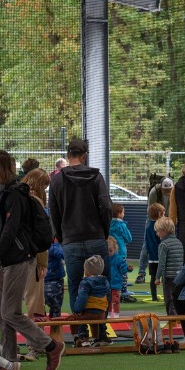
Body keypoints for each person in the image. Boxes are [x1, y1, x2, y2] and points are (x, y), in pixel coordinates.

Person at [0, 149, 65, 370]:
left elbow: (9, 232)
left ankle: (50, 346)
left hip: (18, 260)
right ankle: (9, 365)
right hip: (3, 262)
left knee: (10, 312)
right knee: (2, 313)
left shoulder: (13, 195)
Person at [47, 137, 112, 344]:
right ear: (84, 155)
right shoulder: (96, 176)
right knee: (103, 285)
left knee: (76, 287)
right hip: (95, 237)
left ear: (68, 155)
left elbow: (53, 213)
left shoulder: (57, 179)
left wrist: (62, 236)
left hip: (71, 240)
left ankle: (80, 333)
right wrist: (103, 230)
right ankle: (101, 333)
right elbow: (106, 207)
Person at [22, 168, 52, 327]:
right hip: (32, 254)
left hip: (16, 252)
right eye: (45, 186)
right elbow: (41, 235)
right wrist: (42, 262)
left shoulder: (18, 196)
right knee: (34, 295)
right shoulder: (36, 202)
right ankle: (35, 340)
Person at [71, 254, 110, 346]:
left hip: (88, 313)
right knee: (94, 323)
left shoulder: (85, 283)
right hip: (101, 313)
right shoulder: (106, 282)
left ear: (87, 271)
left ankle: (77, 338)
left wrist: (77, 310)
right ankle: (95, 339)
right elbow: (108, 296)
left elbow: (82, 298)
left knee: (73, 320)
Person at [155, 215, 183, 318]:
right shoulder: (179, 242)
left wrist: (157, 277)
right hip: (179, 276)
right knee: (178, 297)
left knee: (169, 299)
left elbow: (162, 263)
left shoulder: (164, 244)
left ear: (164, 230)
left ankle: (172, 319)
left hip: (169, 277)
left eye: (158, 231)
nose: (157, 234)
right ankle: (180, 317)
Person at [139, 202, 164, 301]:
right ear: (159, 214)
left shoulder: (148, 226)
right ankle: (166, 295)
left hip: (152, 257)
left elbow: (148, 243)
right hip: (159, 256)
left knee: (153, 277)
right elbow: (159, 240)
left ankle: (154, 297)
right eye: (163, 213)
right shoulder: (158, 227)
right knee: (164, 277)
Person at [105, 236, 127, 317]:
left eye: (110, 251)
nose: (109, 253)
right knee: (107, 300)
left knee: (116, 300)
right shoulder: (105, 258)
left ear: (115, 249)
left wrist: (127, 268)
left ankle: (117, 314)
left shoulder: (118, 259)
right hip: (106, 284)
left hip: (116, 284)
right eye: (107, 251)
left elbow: (123, 268)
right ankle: (109, 313)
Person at [45, 239, 66, 318]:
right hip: (56, 281)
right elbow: (64, 255)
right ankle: (55, 327)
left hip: (43, 281)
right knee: (56, 307)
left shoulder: (38, 247)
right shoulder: (53, 247)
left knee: (39, 309)